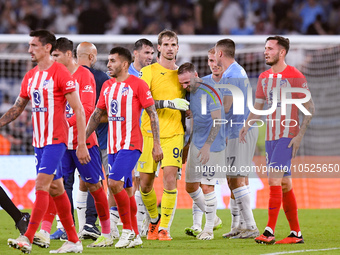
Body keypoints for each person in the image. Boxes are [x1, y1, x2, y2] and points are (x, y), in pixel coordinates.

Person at [5, 29, 90, 254]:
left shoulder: (61, 74)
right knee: (56, 188)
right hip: (39, 141)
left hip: (56, 140)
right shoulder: (31, 76)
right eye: (30, 45)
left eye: (34, 45)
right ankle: (74, 240)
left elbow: (79, 110)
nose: (29, 49)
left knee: (42, 184)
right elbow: (16, 109)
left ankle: (28, 237)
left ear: (47, 48)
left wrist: (81, 143)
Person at [33, 37, 112, 249]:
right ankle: (45, 231)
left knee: (95, 186)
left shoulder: (84, 75)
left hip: (82, 141)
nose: (53, 59)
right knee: (54, 186)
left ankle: (106, 232)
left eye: (56, 55)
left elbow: (86, 110)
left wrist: (60, 122)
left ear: (69, 54)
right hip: (59, 144)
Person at [240, 36, 315, 244]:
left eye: (270, 49)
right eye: (265, 48)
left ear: (281, 52)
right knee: (284, 184)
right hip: (271, 138)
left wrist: (299, 135)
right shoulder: (264, 77)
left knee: (273, 180)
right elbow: (258, 107)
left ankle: (268, 231)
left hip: (287, 135)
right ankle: (295, 233)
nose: (266, 52)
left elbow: (310, 109)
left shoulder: (295, 76)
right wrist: (246, 125)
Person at [86, 46, 163, 248]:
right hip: (112, 146)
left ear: (125, 64)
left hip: (131, 144)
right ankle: (136, 235)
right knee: (127, 190)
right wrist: (82, 138)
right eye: (108, 60)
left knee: (113, 184)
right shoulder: (108, 86)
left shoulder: (138, 85)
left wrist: (156, 144)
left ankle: (127, 230)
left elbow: (152, 114)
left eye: (113, 61)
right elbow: (96, 115)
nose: (108, 64)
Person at [137, 29, 189, 241]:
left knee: (170, 180)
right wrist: (169, 103)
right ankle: (153, 220)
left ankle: (164, 228)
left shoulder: (182, 74)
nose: (169, 48)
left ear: (177, 48)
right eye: (165, 44)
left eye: (173, 44)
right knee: (145, 185)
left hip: (174, 134)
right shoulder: (148, 72)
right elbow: (142, 101)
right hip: (148, 134)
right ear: (158, 47)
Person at [215, 38, 259, 239]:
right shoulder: (235, 71)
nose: (214, 57)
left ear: (221, 54)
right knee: (235, 179)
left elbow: (225, 106)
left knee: (236, 179)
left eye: (215, 53)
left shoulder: (232, 74)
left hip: (239, 131)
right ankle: (241, 225)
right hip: (239, 130)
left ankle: (250, 227)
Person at [75, 41, 117, 240]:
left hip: (71, 136)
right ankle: (91, 224)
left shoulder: (66, 75)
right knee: (97, 180)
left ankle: (79, 225)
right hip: (100, 138)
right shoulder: (102, 78)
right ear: (92, 57)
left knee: (73, 181)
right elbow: (111, 112)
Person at [178, 62, 225, 240]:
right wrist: (189, 145)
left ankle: (208, 229)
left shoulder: (210, 91)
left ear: (196, 74)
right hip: (196, 144)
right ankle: (215, 219)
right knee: (190, 186)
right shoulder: (190, 93)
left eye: (187, 82)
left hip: (213, 146)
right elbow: (197, 120)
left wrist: (207, 146)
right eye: (182, 84)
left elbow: (218, 121)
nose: (185, 86)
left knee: (207, 186)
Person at [128, 38, 155, 237]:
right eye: (146, 53)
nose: (150, 57)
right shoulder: (125, 74)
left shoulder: (152, 73)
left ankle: (144, 221)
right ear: (135, 53)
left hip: (148, 134)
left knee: (144, 181)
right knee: (131, 180)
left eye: (151, 53)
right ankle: (137, 223)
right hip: (128, 135)